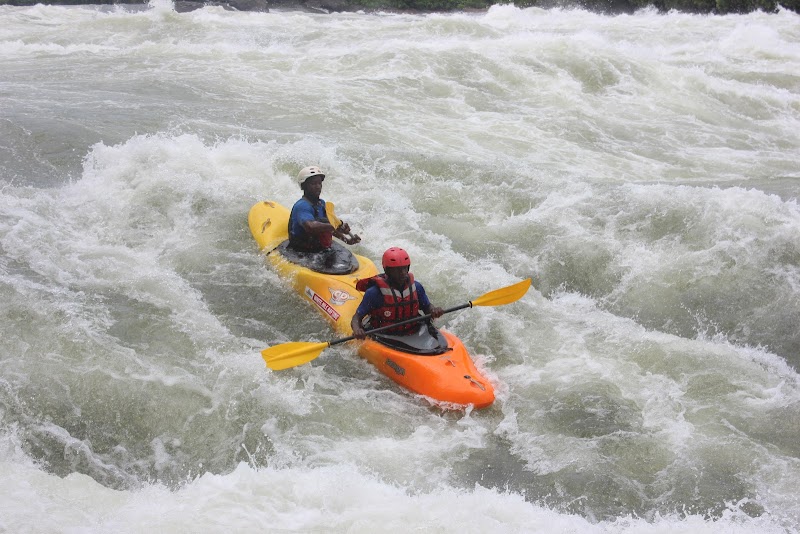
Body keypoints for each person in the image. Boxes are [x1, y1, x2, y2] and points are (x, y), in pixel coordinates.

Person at [351, 247, 444, 339]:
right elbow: (356, 318)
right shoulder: (374, 293)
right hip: (384, 335)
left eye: (405, 268)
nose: (403, 273)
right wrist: (357, 329)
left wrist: (434, 310)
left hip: (413, 331)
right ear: (387, 270)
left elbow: (427, 307)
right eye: (397, 270)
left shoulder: (416, 287)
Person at [288, 166, 361, 252]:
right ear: (304, 186)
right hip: (301, 249)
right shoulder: (302, 206)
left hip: (318, 247)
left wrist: (346, 239)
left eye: (319, 183)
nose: (318, 186)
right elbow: (310, 227)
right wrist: (334, 226)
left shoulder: (321, 203)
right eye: (313, 184)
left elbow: (328, 224)